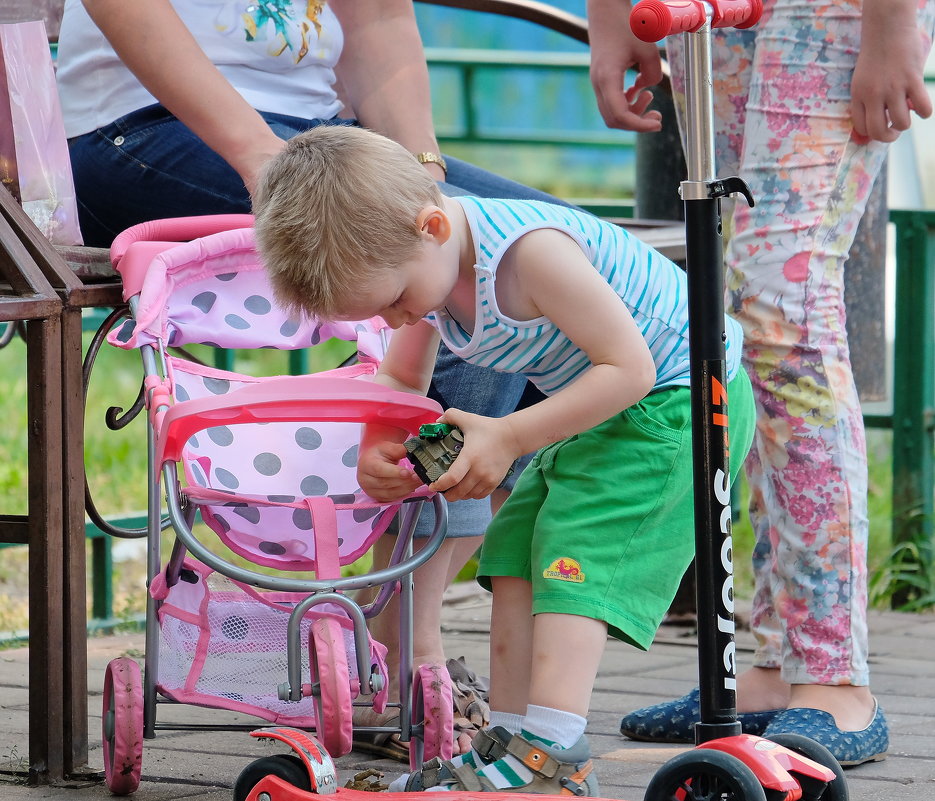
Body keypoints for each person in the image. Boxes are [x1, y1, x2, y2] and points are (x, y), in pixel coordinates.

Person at [55, 0, 557, 759]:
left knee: (512, 248)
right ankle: (411, 640)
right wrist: (260, 159)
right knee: (465, 278)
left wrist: (423, 181)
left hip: (322, 143)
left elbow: (380, 24)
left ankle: (393, 610)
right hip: (143, 128)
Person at [251, 124, 757, 794]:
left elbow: (629, 367)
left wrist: (509, 435)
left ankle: (551, 756)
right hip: (603, 412)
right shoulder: (422, 268)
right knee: (512, 549)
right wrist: (379, 439)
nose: (400, 320)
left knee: (571, 554)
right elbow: (401, 384)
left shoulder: (529, 255)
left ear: (431, 225)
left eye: (397, 300)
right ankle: (511, 750)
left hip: (680, 401)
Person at [586, 0, 935, 766]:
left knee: (783, 302)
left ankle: (835, 676)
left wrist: (889, 28)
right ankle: (774, 667)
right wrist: (608, 14)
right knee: (735, 307)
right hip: (705, 15)